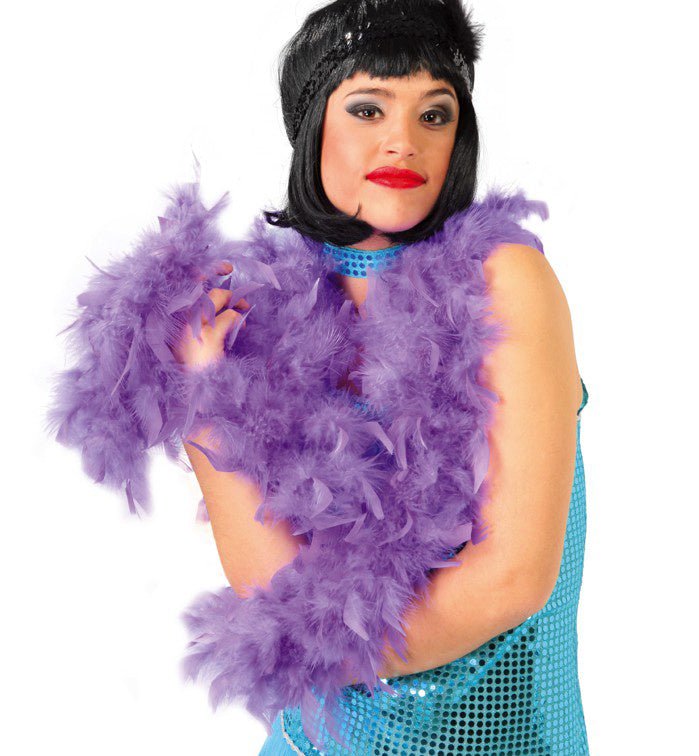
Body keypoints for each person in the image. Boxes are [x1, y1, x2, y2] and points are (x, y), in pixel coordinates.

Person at [48, 0, 590, 753]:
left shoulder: (502, 280)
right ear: (311, 125)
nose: (403, 140)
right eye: (368, 108)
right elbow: (268, 582)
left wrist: (318, 656)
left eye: (435, 114)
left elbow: (512, 580)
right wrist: (205, 387)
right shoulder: (247, 312)